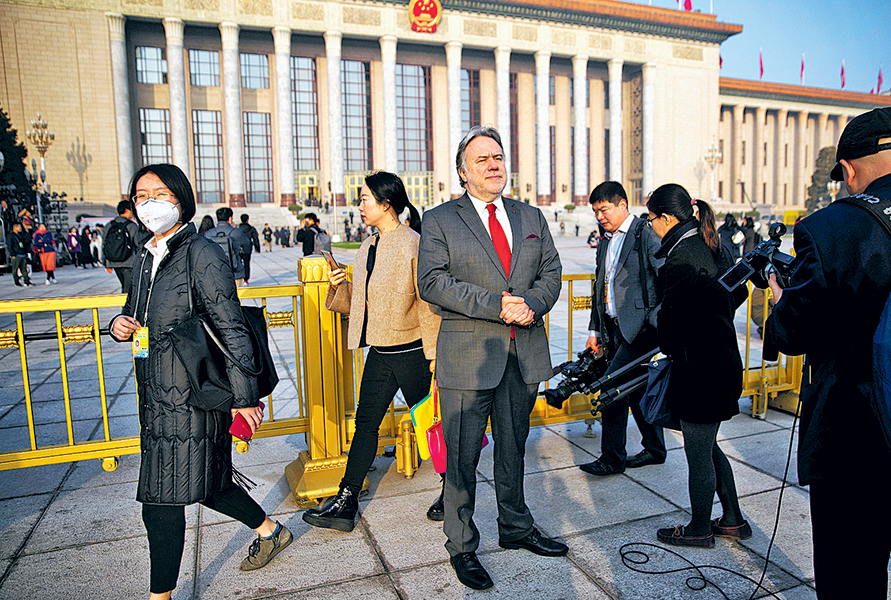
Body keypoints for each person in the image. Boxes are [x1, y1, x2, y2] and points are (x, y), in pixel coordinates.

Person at [766, 107, 891, 598]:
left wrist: (780, 301)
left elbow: (792, 334)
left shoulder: (831, 228)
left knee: (852, 583)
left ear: (849, 170)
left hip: (856, 445)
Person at [109, 164, 292, 600]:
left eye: (160, 194)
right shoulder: (142, 257)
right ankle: (271, 531)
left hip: (196, 390)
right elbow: (134, 312)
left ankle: (160, 597)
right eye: (141, 195)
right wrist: (118, 323)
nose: (149, 203)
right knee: (208, 482)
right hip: (155, 392)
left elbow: (232, 328)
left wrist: (244, 397)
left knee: (161, 500)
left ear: (181, 200)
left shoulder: (201, 253)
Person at [418, 126, 565, 591]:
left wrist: (533, 303)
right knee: (461, 458)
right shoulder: (440, 219)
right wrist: (498, 303)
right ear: (463, 172)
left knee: (513, 447)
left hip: (523, 352)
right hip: (468, 356)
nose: (494, 164)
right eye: (482, 159)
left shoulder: (530, 217)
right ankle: (461, 545)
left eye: (498, 156)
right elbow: (432, 282)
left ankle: (516, 527)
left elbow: (552, 272)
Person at [302, 171, 442, 531]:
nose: (360, 205)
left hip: (413, 353)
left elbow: (428, 304)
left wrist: (435, 355)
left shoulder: (413, 243)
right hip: (380, 353)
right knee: (366, 426)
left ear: (386, 203)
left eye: (365, 199)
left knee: (432, 426)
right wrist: (343, 285)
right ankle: (346, 502)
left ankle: (453, 492)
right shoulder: (369, 245)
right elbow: (366, 304)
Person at [645, 183, 750, 549]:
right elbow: (739, 291)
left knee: (698, 452)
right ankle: (734, 520)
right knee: (707, 445)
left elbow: (669, 323)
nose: (651, 225)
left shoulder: (681, 255)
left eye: (652, 218)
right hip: (722, 361)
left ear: (668, 217)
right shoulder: (711, 243)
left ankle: (699, 527)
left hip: (699, 369)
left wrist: (673, 343)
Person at [578, 181, 666, 477]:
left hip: (641, 330)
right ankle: (655, 449)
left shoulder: (645, 233)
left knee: (611, 388)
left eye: (604, 209)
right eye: (596, 212)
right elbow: (599, 285)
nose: (600, 216)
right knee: (637, 389)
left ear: (623, 205)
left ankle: (612, 458)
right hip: (613, 328)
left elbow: (665, 276)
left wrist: (655, 321)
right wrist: (595, 330)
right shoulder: (605, 239)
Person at [205, 207, 250, 286]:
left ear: (217, 218)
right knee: (237, 296)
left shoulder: (208, 234)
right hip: (234, 272)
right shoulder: (236, 232)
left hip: (215, 273)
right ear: (230, 218)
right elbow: (247, 246)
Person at [104, 200, 141, 291]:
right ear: (126, 210)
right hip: (129, 262)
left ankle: (125, 304)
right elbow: (138, 244)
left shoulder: (109, 225)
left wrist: (106, 263)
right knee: (129, 288)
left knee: (124, 285)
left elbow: (104, 245)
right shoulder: (131, 226)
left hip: (114, 261)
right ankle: (127, 305)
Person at [237, 214, 260, 285]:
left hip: (238, 247)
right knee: (247, 264)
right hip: (247, 248)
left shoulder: (237, 228)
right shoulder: (251, 228)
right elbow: (255, 238)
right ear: (247, 219)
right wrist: (257, 248)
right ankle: (246, 279)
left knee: (238, 263)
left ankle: (239, 277)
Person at [9, 222, 33, 287]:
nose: (20, 228)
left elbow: (24, 244)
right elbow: (10, 245)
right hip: (16, 254)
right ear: (15, 227)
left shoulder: (20, 235)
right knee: (15, 269)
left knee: (24, 269)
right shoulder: (11, 236)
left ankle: (26, 281)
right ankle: (17, 282)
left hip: (22, 254)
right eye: (19, 227)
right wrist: (12, 254)